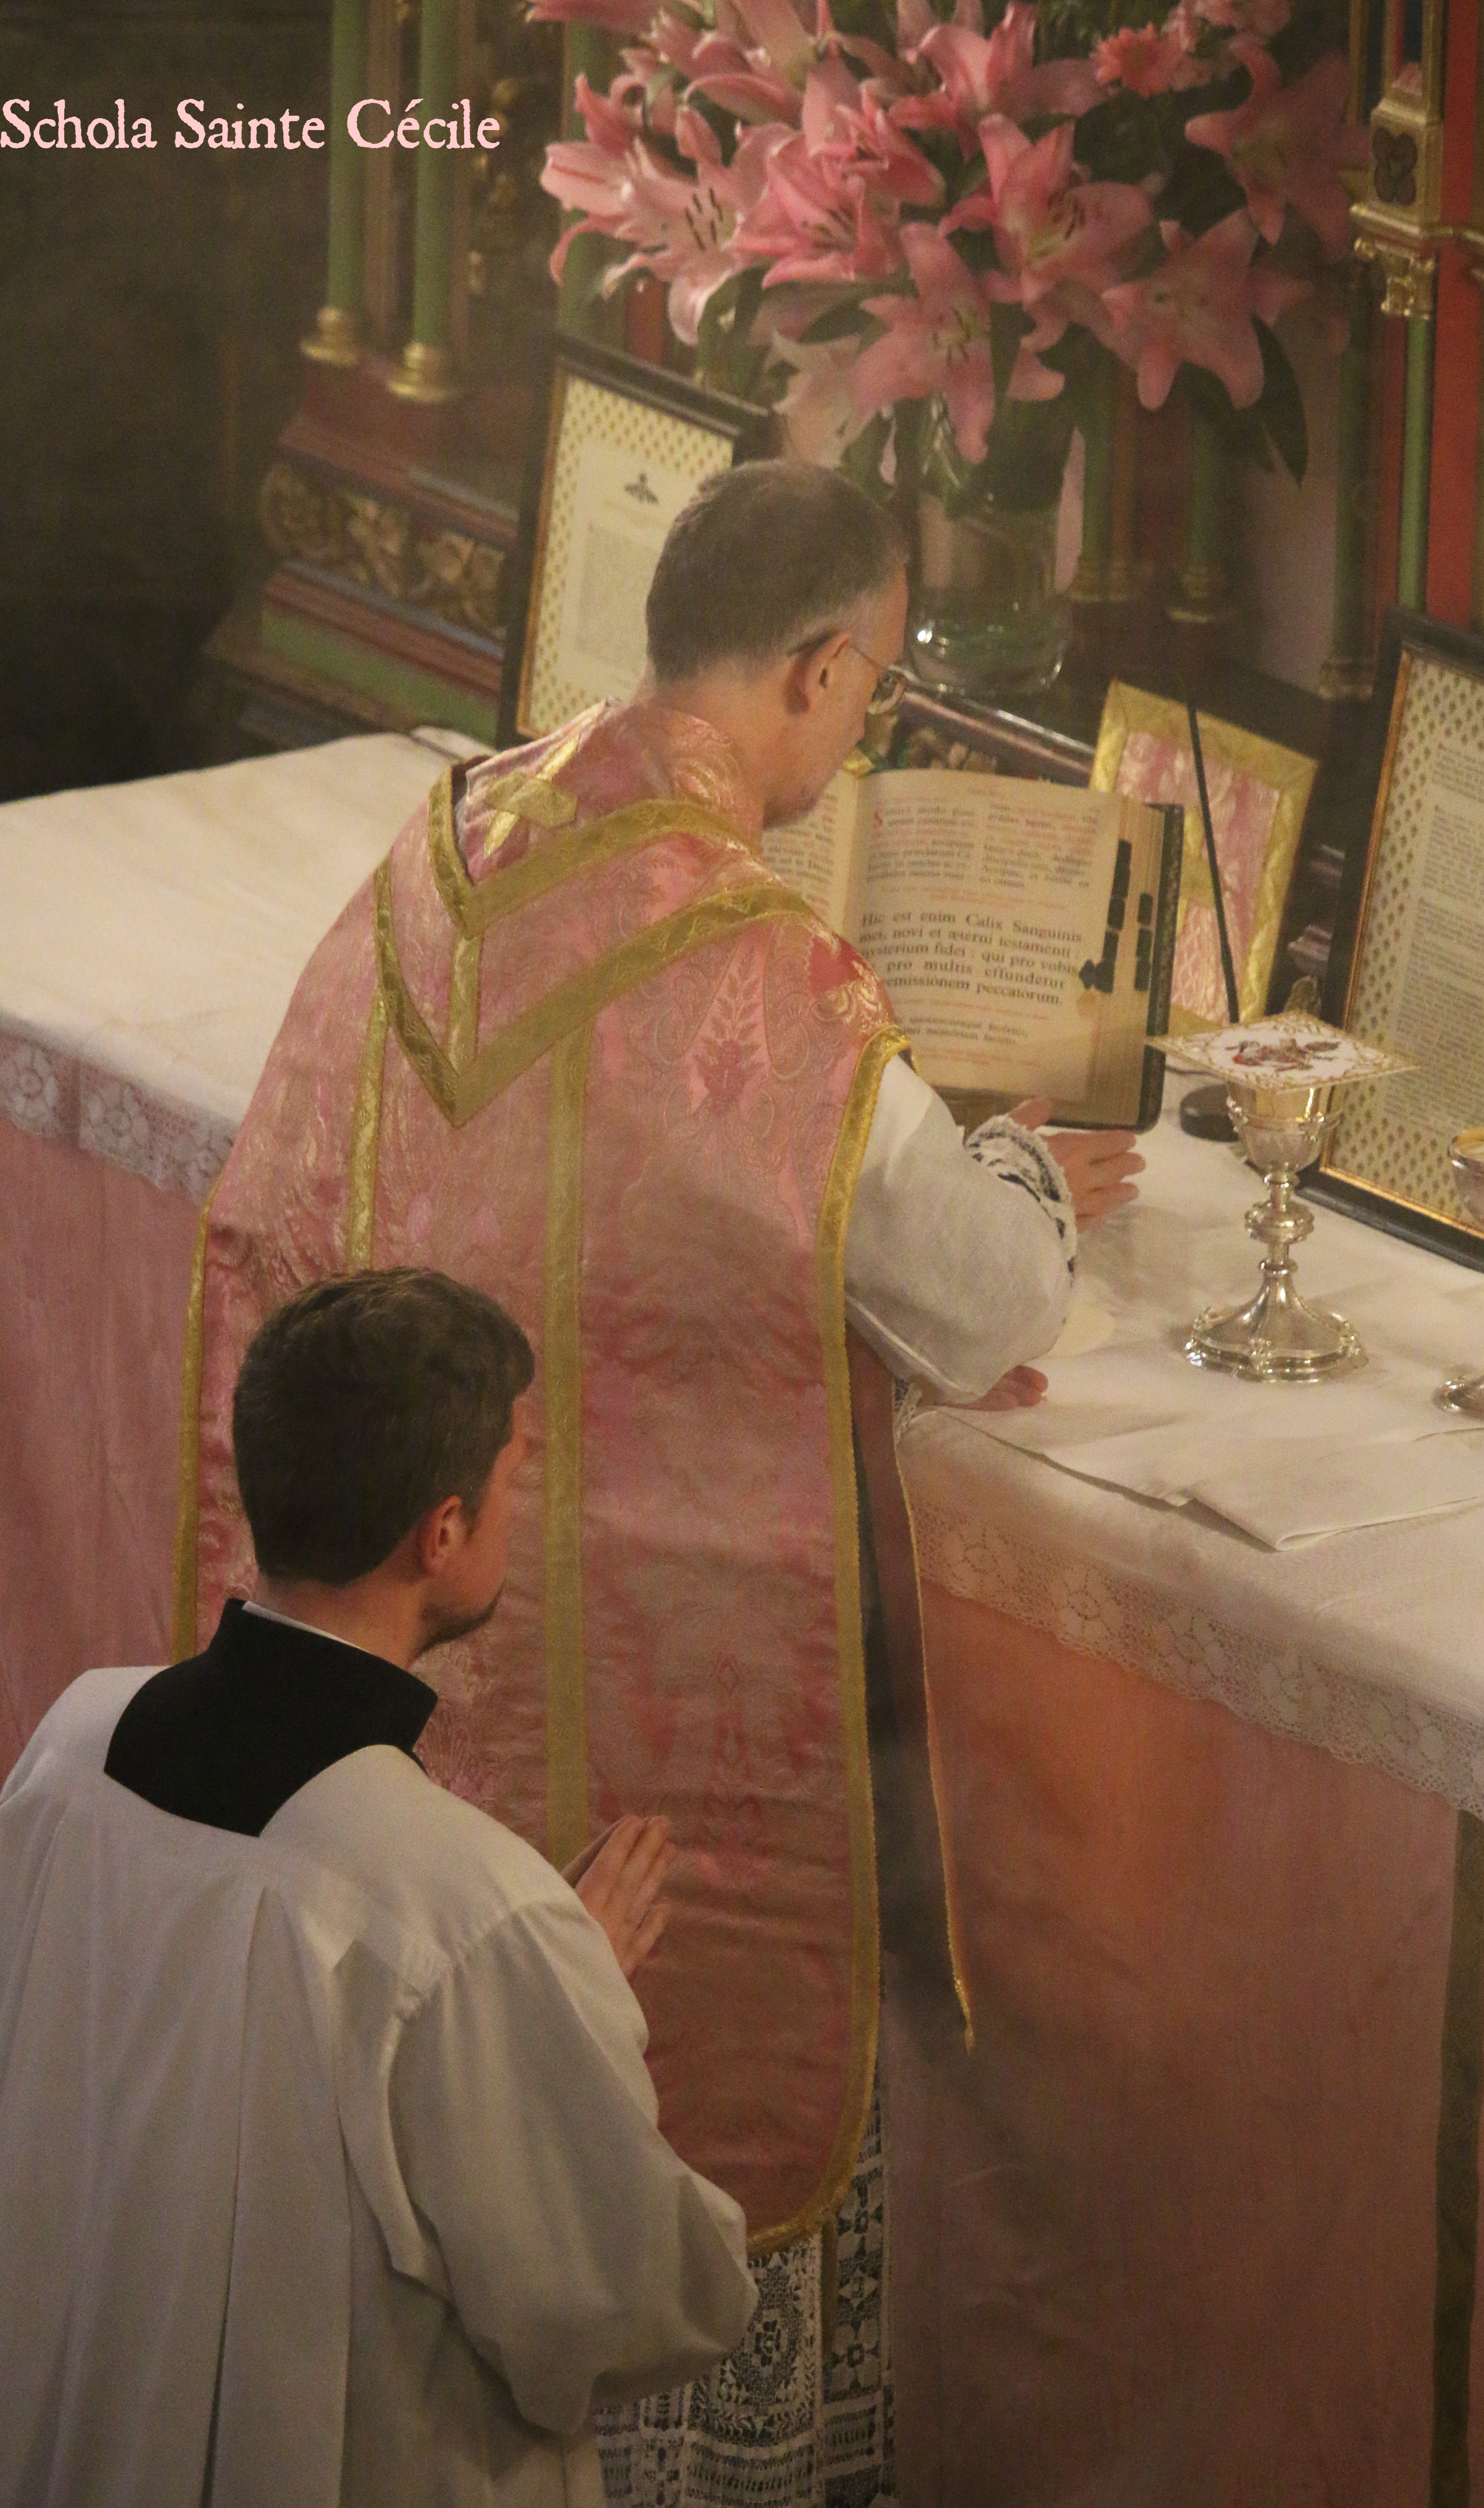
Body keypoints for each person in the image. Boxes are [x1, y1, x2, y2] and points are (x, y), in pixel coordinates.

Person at [176, 459, 1141, 2505]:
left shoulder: (450, 837)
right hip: (638, 1789)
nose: (859, 726)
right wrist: (1023, 1170)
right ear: (816, 668)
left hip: (389, 1703)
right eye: (873, 686)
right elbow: (980, 1299)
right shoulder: (756, 974)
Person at [0, 1270, 756, 2508]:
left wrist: (534, 1985)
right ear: (441, 1531)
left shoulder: (72, 1743)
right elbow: (631, 2308)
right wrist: (560, 1998)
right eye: (514, 1478)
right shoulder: (467, 1913)